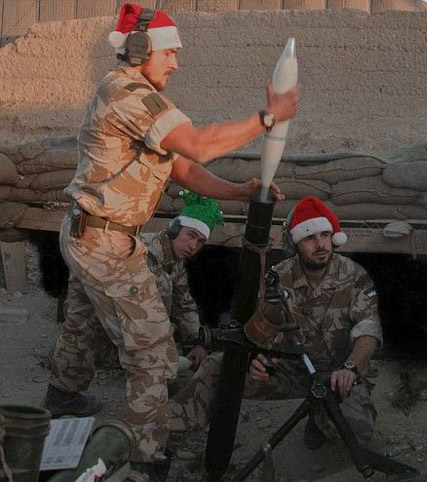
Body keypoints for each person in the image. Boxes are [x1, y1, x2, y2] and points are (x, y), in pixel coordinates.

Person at [41, 1, 299, 478]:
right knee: (152, 355)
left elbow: (181, 167)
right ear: (141, 49)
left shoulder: (132, 96)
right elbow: (197, 145)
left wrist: (237, 191)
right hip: (105, 244)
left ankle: (63, 395)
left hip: (90, 235)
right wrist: (268, 116)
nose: (176, 63)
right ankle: (147, 459)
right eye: (170, 52)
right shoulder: (129, 93)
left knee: (85, 319)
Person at [169, 196, 383, 451]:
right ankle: (163, 438)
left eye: (325, 235)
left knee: (356, 433)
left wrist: (350, 367)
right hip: (290, 371)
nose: (320, 244)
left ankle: (319, 416)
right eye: (309, 238)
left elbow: (368, 329)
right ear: (295, 243)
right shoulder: (277, 277)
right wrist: (260, 359)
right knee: (218, 367)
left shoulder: (354, 275)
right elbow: (263, 328)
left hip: (338, 375)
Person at [142, 191, 224, 374]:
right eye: (191, 235)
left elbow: (184, 304)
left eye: (200, 242)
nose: (193, 246)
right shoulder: (146, 251)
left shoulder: (176, 262)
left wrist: (199, 341)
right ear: (174, 229)